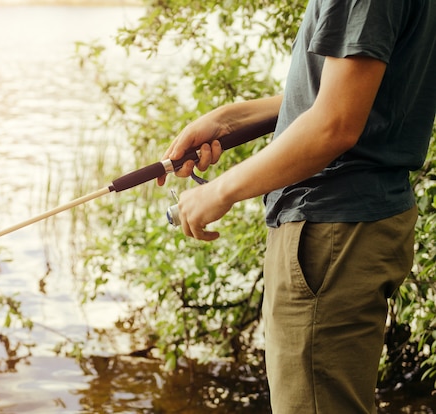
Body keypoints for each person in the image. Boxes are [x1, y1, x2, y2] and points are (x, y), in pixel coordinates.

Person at [157, 0, 436, 412]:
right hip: (353, 227)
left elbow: (334, 124)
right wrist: (230, 118)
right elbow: (345, 92)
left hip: (327, 234)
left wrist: (218, 192)